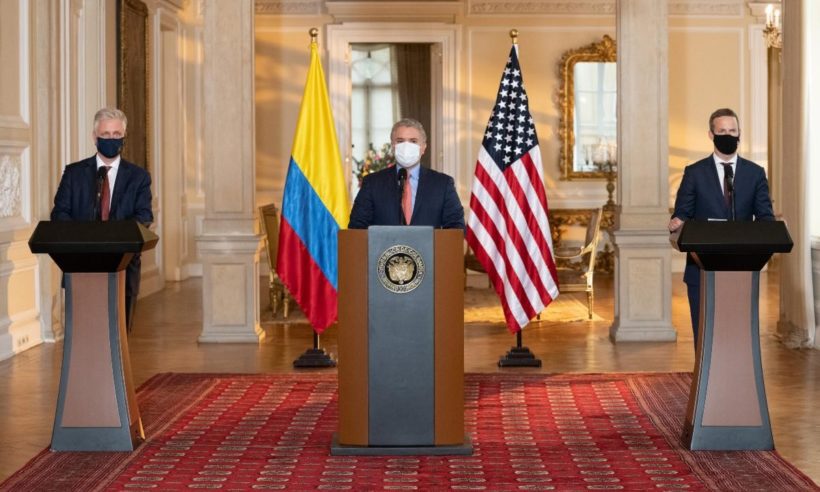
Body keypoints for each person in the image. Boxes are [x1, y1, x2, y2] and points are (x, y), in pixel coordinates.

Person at [668, 108, 774, 346]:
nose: (728, 135)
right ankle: (706, 382)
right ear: (711, 134)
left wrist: (773, 231)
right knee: (706, 335)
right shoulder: (694, 173)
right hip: (701, 269)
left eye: (732, 131)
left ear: (739, 134)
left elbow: (765, 218)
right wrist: (677, 223)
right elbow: (682, 214)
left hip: (742, 270)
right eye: (722, 131)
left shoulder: (754, 173)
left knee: (737, 336)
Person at [51, 108, 153, 333]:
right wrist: (85, 241)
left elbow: (144, 217)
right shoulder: (74, 173)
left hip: (122, 269)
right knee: (83, 334)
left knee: (118, 338)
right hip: (80, 267)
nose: (111, 139)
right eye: (106, 135)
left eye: (117, 135)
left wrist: (111, 239)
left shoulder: (139, 177)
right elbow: (60, 214)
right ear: (94, 137)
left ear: (124, 137)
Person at [349, 118, 465, 230]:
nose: (406, 146)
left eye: (413, 141)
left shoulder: (443, 184)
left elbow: (455, 228)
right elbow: (357, 227)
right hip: (385, 249)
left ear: (423, 147)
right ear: (393, 146)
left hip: (428, 249)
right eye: (400, 141)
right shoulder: (372, 183)